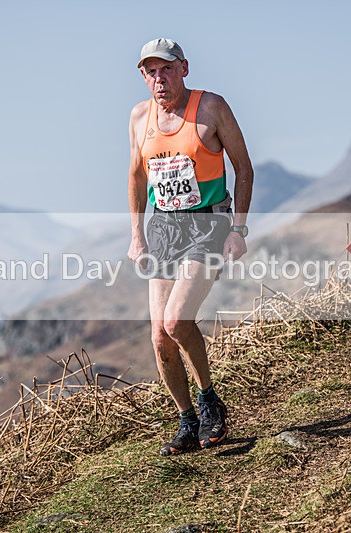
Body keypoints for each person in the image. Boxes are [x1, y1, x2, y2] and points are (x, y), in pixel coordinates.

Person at [126, 38, 254, 456]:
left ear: (183, 68)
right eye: (150, 72)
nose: (158, 79)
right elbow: (137, 177)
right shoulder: (139, 117)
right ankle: (186, 420)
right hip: (164, 228)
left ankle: (208, 398)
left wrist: (239, 229)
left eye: (165, 69)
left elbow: (243, 167)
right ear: (143, 77)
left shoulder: (211, 107)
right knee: (159, 339)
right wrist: (137, 234)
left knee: (178, 320)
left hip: (209, 224)